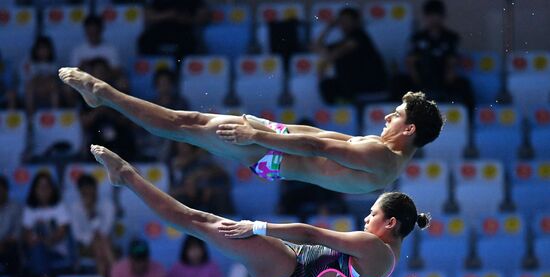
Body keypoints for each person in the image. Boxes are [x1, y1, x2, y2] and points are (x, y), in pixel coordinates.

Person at [90, 145, 430, 277]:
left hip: (290, 266)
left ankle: (127, 177)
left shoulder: (376, 248)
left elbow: (311, 232)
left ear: (391, 223)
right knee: (199, 221)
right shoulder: (390, 259)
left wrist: (258, 227)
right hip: (290, 265)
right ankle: (127, 177)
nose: (367, 217)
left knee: (197, 221)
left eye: (373, 213)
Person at [59, 67, 444, 194]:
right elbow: (319, 137)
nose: (386, 119)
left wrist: (258, 136)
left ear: (409, 128)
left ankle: (103, 95)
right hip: (276, 148)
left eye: (394, 116)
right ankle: (104, 97)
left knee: (182, 125)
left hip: (271, 151)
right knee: (184, 126)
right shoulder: (387, 158)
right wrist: (271, 128)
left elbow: (314, 147)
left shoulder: (382, 157)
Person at [391, 0, 474, 111]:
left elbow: (452, 61)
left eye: (437, 15)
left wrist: (449, 76)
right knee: (398, 82)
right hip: (421, 79)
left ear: (442, 17)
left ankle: (469, 121)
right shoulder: (418, 38)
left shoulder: (450, 37)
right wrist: (417, 81)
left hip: (443, 79)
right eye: (430, 16)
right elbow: (410, 61)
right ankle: (396, 118)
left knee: (464, 85)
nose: (434, 19)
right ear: (425, 17)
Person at [313, 7, 387, 104]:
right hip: (352, 85)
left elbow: (333, 55)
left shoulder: (359, 37)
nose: (344, 24)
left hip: (370, 84)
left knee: (329, 85)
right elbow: (317, 46)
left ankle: (345, 105)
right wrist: (329, 27)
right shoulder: (344, 40)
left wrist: (326, 55)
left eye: (347, 20)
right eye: (341, 21)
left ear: (356, 21)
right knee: (327, 85)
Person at [22, 172, 71, 277]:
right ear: (34, 189)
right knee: (37, 249)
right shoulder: (30, 208)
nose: (43, 190)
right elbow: (27, 235)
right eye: (40, 187)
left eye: (46, 187)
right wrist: (39, 241)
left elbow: (62, 231)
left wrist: (45, 240)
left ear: (52, 189)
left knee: (38, 249)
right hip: (37, 249)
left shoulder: (60, 207)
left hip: (56, 250)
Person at [68, 174, 115, 277]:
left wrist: (91, 212)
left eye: (90, 190)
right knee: (100, 245)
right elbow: (77, 234)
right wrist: (91, 238)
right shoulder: (75, 207)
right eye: (84, 191)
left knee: (99, 248)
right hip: (85, 246)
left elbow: (105, 231)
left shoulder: (108, 205)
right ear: (79, 191)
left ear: (96, 189)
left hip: (104, 242)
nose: (88, 194)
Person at [138, 0, 209, 59]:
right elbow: (148, 16)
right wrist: (169, 15)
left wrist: (188, 19)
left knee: (189, 43)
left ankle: (179, 67)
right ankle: (151, 66)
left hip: (183, 30)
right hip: (160, 28)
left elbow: (204, 16)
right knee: (145, 40)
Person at [23, 36, 60, 115]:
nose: (43, 51)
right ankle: (30, 117)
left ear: (50, 50)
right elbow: (31, 80)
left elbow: (54, 79)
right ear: (36, 50)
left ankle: (55, 115)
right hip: (35, 91)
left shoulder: (53, 65)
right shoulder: (30, 64)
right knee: (30, 87)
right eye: (40, 49)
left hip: (49, 92)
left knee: (53, 85)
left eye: (45, 49)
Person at [0, 175, 23, 276]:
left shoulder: (16, 207)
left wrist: (3, 243)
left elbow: (17, 233)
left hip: (8, 245)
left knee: (13, 249)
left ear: (6, 190)